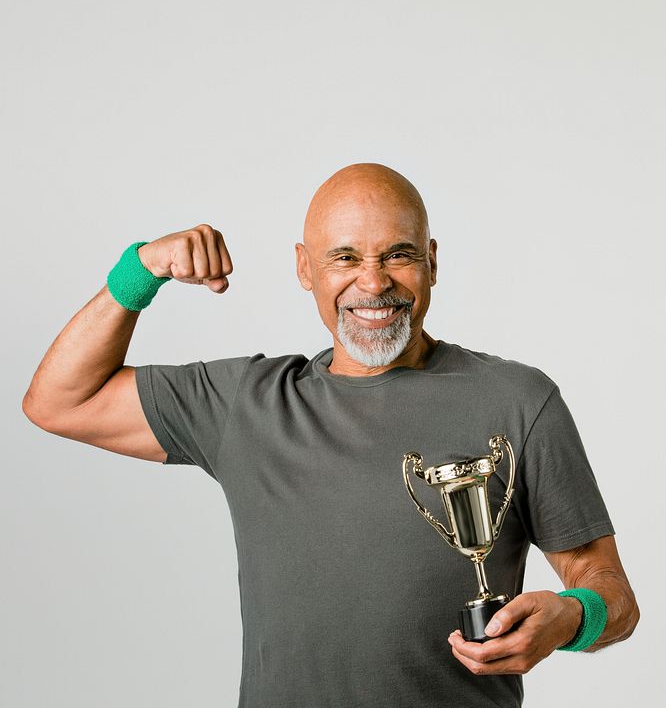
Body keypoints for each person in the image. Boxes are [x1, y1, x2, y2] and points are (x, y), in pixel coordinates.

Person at [23, 163, 639, 708]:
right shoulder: (248, 403)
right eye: (345, 257)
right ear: (304, 268)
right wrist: (141, 271)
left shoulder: (519, 400)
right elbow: (59, 401)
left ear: (432, 261)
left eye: (398, 254)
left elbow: (614, 597)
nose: (373, 283)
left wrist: (571, 616)